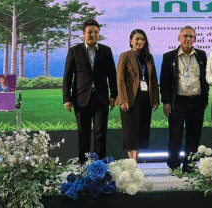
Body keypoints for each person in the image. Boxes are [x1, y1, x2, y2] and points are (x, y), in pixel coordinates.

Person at [63, 19, 117, 164]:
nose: (93, 35)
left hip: (101, 98)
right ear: (83, 34)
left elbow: (112, 75)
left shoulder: (106, 51)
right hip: (81, 99)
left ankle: (100, 167)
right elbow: (68, 76)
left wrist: (114, 95)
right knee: (83, 134)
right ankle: (84, 166)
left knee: (100, 134)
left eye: (96, 32)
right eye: (90, 32)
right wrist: (67, 98)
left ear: (99, 34)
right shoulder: (74, 51)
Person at [160, 26, 209, 172]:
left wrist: (205, 98)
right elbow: (164, 81)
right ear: (179, 38)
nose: (188, 39)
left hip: (197, 101)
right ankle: (174, 165)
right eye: (185, 36)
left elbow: (205, 77)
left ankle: (189, 165)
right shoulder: (169, 56)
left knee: (193, 136)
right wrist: (166, 102)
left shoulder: (201, 55)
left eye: (191, 36)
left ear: (195, 39)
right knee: (175, 136)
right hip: (178, 102)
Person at [115, 29, 159, 161]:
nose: (140, 41)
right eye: (137, 39)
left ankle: (135, 163)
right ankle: (132, 165)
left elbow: (154, 80)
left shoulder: (149, 57)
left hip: (145, 100)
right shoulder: (125, 56)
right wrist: (123, 99)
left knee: (141, 134)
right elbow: (120, 79)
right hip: (130, 101)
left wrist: (156, 99)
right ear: (131, 41)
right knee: (131, 136)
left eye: (142, 39)